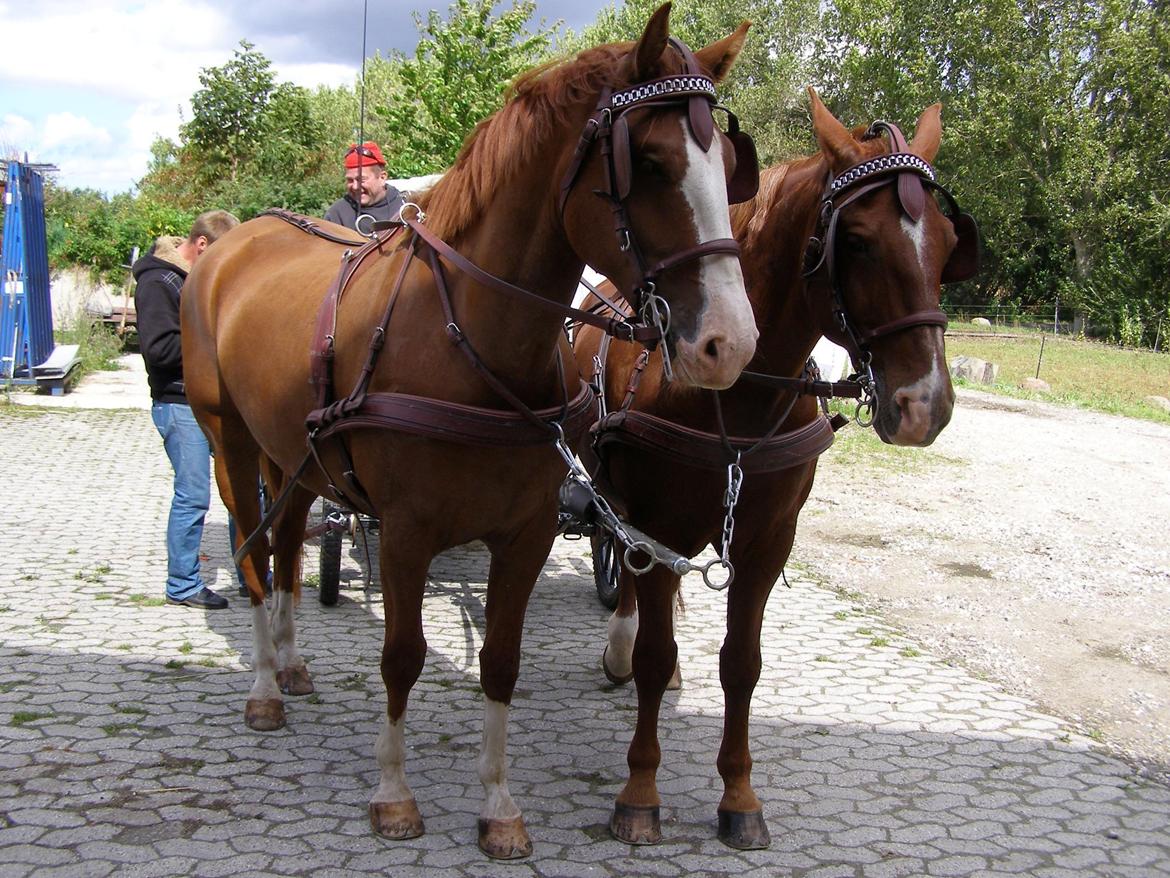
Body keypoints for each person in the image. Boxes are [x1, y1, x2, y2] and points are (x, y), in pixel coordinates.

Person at [134, 210, 240, 609]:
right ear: (202, 246)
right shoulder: (158, 281)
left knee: (245, 490)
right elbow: (159, 351)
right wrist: (222, 344)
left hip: (213, 402)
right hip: (178, 403)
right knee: (194, 495)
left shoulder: (192, 280)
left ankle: (253, 573)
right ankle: (182, 584)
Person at [323, 141, 405, 236]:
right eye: (350, 180)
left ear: (382, 178)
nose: (354, 186)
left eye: (361, 180)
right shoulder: (336, 215)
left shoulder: (405, 207)